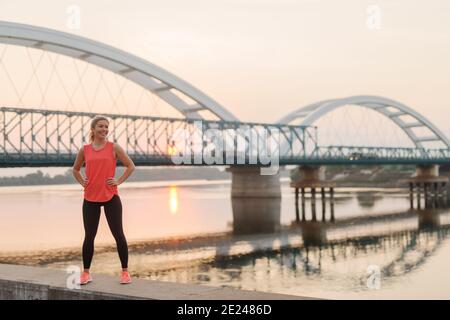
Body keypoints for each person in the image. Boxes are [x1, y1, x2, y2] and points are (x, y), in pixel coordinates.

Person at [72, 115, 135, 285]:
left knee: (118, 235)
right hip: (90, 197)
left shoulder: (113, 147)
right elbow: (76, 169)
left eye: (106, 127)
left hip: (111, 197)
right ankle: (86, 273)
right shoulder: (84, 150)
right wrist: (82, 181)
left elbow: (131, 166)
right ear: (93, 129)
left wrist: (118, 181)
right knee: (89, 236)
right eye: (100, 126)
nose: (104, 129)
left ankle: (125, 272)